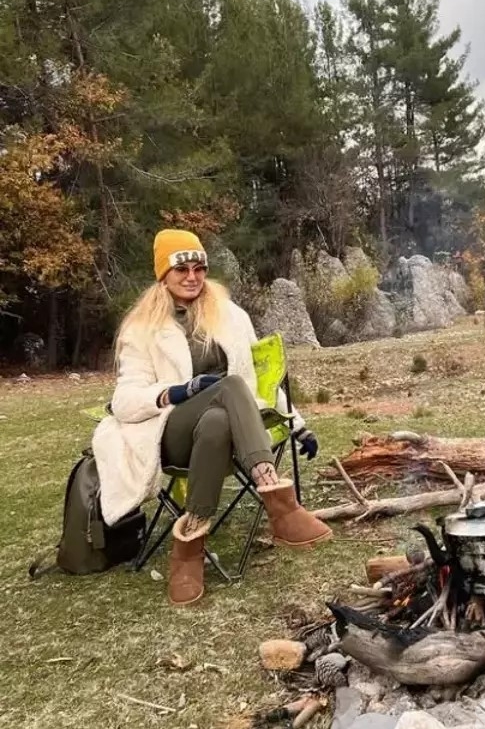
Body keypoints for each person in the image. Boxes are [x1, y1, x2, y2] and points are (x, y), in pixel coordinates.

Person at [92, 229, 332, 606]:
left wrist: (298, 424)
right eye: (181, 269)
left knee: (221, 414)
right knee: (227, 387)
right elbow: (123, 401)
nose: (192, 276)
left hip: (223, 429)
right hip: (170, 433)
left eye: (199, 267)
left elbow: (257, 383)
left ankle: (188, 550)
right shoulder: (141, 329)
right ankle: (278, 502)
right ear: (163, 275)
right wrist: (179, 392)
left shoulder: (231, 317)